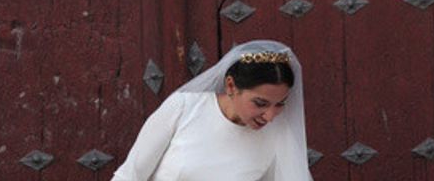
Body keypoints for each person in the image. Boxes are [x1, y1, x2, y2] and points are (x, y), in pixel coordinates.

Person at [111, 39, 313, 181]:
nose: (270, 116)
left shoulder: (276, 135)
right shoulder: (184, 108)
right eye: (260, 103)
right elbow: (130, 176)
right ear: (231, 86)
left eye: (280, 104)